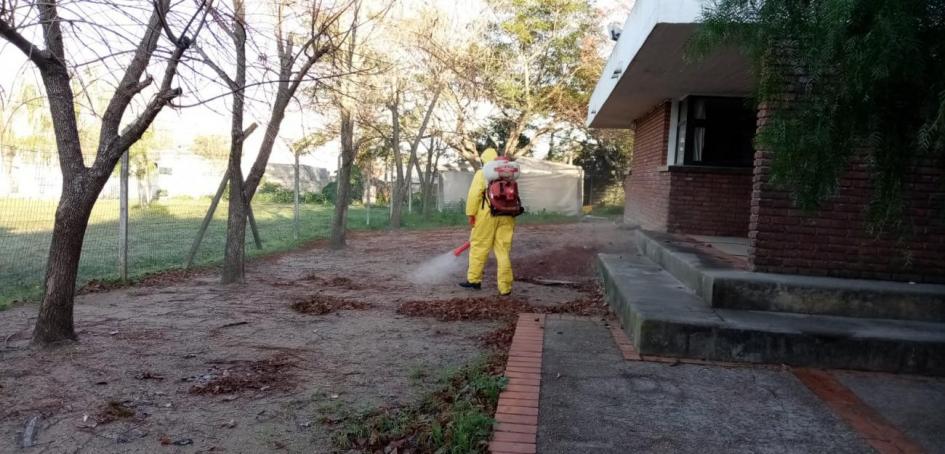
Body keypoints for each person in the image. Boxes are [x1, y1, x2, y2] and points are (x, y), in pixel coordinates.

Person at [459, 148, 517, 296]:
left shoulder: (482, 173)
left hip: (487, 215)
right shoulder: (508, 174)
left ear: (484, 160)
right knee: (503, 251)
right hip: (507, 215)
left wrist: (471, 214)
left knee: (479, 247)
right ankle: (505, 288)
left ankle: (474, 280)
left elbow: (474, 195)